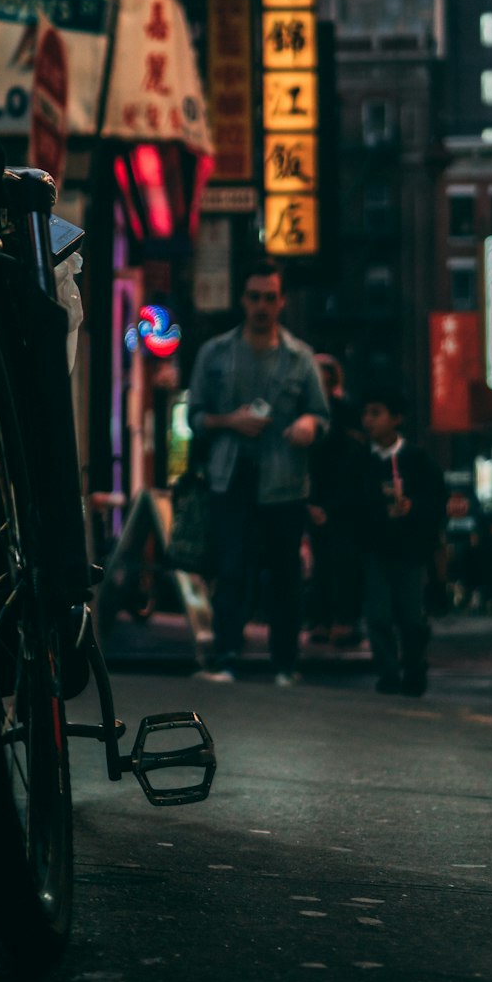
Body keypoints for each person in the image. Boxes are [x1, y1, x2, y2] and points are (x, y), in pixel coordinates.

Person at [186, 257, 329, 685]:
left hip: (284, 482)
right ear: (242, 300)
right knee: (231, 570)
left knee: (284, 575)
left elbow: (322, 417)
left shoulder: (300, 358)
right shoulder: (215, 353)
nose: (262, 306)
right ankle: (227, 657)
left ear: (282, 301)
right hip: (230, 478)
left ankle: (285, 664)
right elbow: (194, 417)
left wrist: (308, 425)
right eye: (254, 297)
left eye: (270, 298)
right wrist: (231, 421)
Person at [354, 387, 446, 696]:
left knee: (411, 617)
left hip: (409, 550)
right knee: (378, 614)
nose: (369, 420)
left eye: (376, 413)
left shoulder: (416, 459)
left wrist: (414, 508)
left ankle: (414, 667)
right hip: (374, 549)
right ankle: (388, 672)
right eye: (366, 413)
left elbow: (436, 501)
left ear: (396, 418)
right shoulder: (362, 460)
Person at [305, 354, 363, 647]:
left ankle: (338, 620)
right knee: (326, 563)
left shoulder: (341, 412)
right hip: (321, 497)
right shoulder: (314, 414)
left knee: (338, 562)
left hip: (340, 499)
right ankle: (328, 620)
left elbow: (349, 462)